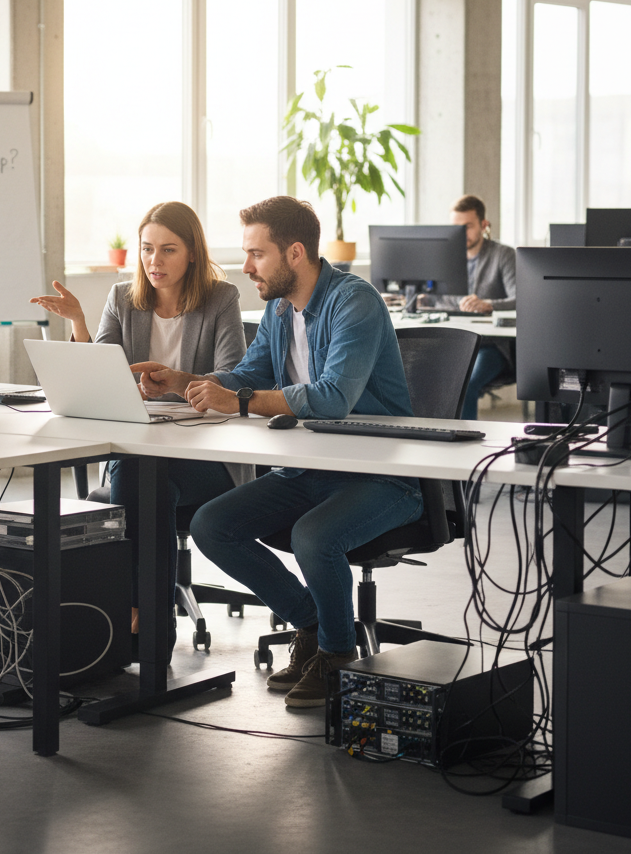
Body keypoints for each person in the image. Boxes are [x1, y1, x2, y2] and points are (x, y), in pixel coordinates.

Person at [132, 196, 423, 707]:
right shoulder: (279, 308)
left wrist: (239, 400)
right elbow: (250, 375)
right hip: (310, 467)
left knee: (314, 536)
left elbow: (333, 398)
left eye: (256, 255)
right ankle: (312, 623)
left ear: (294, 253)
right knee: (211, 525)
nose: (245, 267)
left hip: (381, 475)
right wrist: (186, 382)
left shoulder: (354, 301)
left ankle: (337, 655)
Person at [30, 201, 250, 652]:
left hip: (205, 456)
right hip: (141, 449)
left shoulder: (220, 299)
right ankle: (150, 625)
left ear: (192, 253)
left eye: (168, 250)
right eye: (147, 249)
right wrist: (77, 323)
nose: (155, 261)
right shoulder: (122, 299)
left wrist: (177, 383)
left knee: (139, 479)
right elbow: (101, 373)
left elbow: (234, 376)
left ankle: (139, 618)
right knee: (138, 475)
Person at [425, 194, 516, 419]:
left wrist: (489, 305)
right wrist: (415, 299)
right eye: (456, 228)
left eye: (468, 227)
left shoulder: (502, 255)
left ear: (483, 225)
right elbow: (439, 299)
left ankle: (463, 440)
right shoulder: (445, 258)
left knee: (464, 382)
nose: (462, 234)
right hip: (453, 342)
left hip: (491, 346)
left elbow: (522, 299)